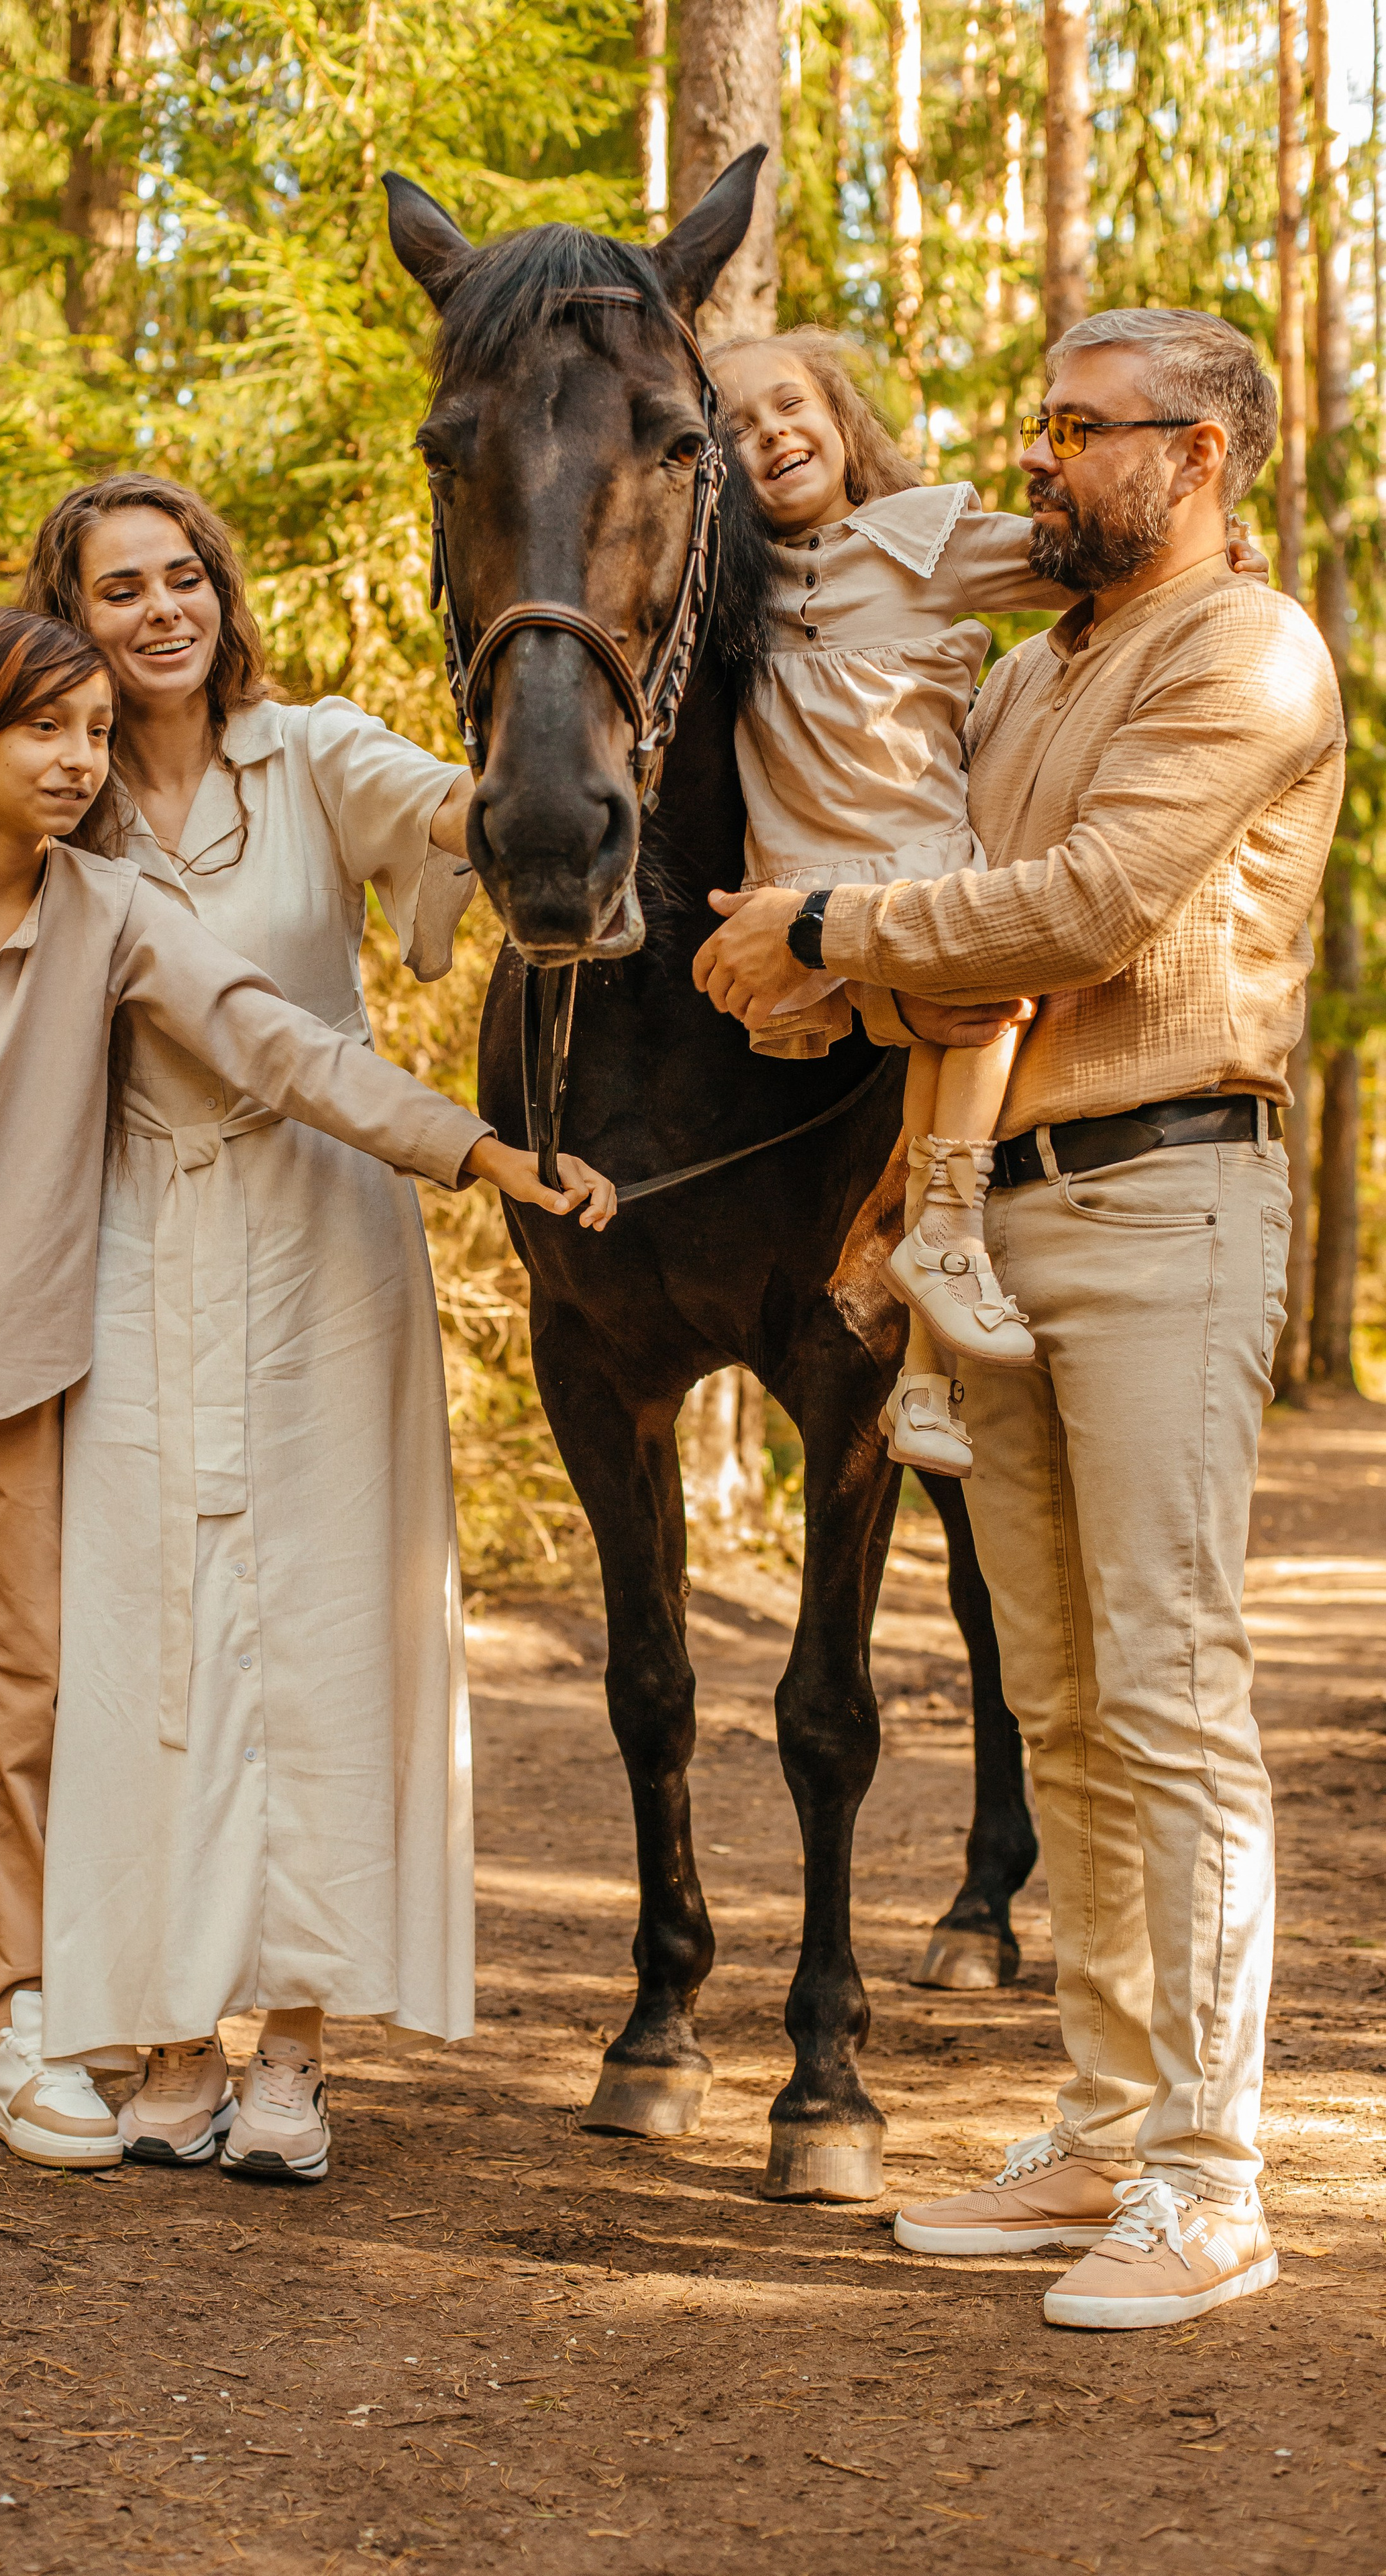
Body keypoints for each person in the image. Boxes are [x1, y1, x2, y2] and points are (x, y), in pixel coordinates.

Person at [0, 603, 608, 2172]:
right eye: (43, 730)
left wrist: (469, 1149)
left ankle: (10, 2023)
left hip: (25, 1356)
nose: (75, 761)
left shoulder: (116, 915)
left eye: (95, 736)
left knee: (34, 1693)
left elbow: (272, 1042)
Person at [692, 308, 1345, 2330]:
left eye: (1083, 430)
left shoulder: (1246, 655)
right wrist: (830, 981)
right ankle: (1105, 2123)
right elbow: (960, 957)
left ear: (1202, 454)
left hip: (1169, 1196)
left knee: (1167, 1686)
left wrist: (818, 929)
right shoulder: (1033, 671)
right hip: (1001, 1209)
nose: (1042, 458)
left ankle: (1212, 2183)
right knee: (1053, 1698)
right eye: (1042, 425)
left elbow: (1078, 914)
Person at [13, 471, 521, 2185]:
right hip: (133, 1227)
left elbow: (454, 815)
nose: (160, 612)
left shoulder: (311, 753)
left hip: (327, 1227)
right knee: (146, 1621)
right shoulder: (58, 806)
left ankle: (293, 2051)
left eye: (184, 580)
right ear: (67, 617)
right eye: (117, 590)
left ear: (223, 597)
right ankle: (165, 2034)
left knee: (313, 1615)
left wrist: (519, 776)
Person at [704, 327, 1266, 1484]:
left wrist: (1228, 556)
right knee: (916, 1058)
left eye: (791, 406)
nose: (771, 436)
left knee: (981, 1017)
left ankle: (943, 1252)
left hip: (909, 859)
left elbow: (1083, 555)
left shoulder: (920, 549)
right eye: (736, 428)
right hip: (803, 875)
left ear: (844, 420)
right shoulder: (730, 591)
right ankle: (923, 1361)